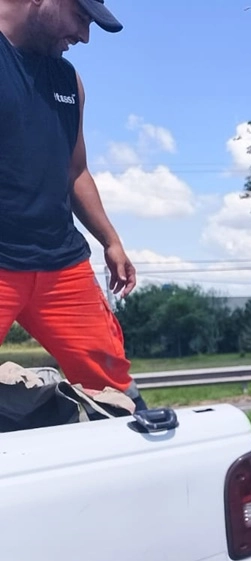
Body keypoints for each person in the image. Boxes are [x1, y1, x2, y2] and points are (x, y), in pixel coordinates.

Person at [0, 0, 146, 410]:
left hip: (61, 264)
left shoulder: (67, 79)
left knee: (114, 387)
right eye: (81, 18)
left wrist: (110, 240)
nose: (84, 36)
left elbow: (76, 170)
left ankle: (135, 467)